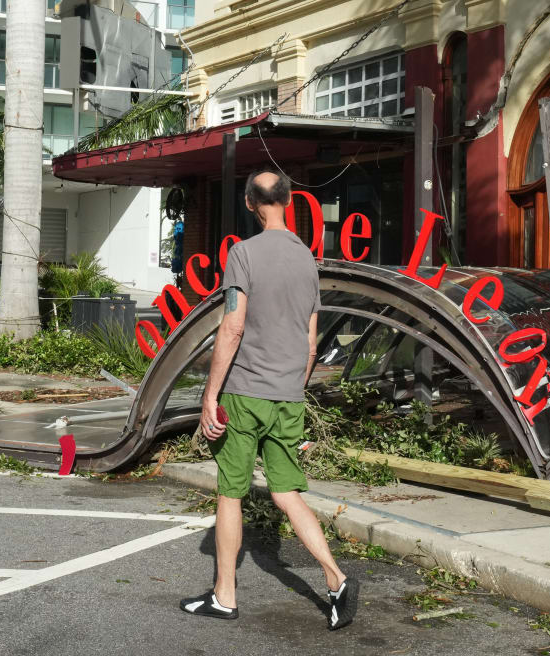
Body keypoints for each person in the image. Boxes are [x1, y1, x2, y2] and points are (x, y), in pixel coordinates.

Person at [180, 170, 358, 630]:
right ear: (289, 199)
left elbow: (232, 326)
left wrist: (210, 394)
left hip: (245, 394)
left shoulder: (243, 253)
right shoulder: (306, 258)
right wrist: (293, 387)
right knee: (287, 493)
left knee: (230, 493)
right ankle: (336, 579)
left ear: (248, 203)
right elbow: (312, 340)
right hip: (288, 395)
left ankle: (225, 596)